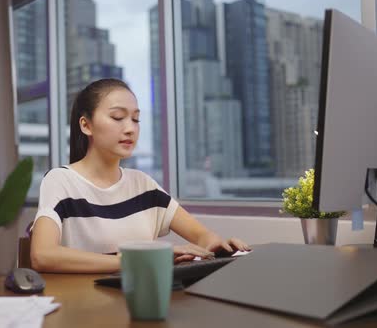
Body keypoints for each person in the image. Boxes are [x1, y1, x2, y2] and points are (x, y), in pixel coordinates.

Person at [30, 78, 250, 273]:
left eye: (135, 119)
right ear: (86, 125)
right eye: (117, 117)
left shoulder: (143, 186)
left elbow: (204, 237)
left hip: (141, 299)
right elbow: (43, 255)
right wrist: (138, 261)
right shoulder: (61, 181)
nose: (130, 129)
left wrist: (220, 247)